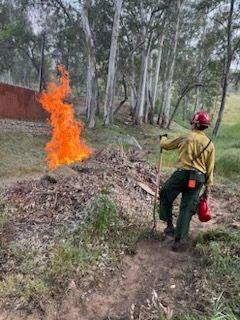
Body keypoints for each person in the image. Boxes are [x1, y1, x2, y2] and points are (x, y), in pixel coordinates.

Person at [159, 111, 215, 251]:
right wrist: (208, 189)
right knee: (187, 208)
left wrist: (162, 138)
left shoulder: (186, 136)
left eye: (192, 122)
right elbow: (210, 169)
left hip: (181, 175)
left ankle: (170, 226)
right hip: (198, 179)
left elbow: (166, 145)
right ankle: (179, 240)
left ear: (195, 124)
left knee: (165, 194)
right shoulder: (209, 144)